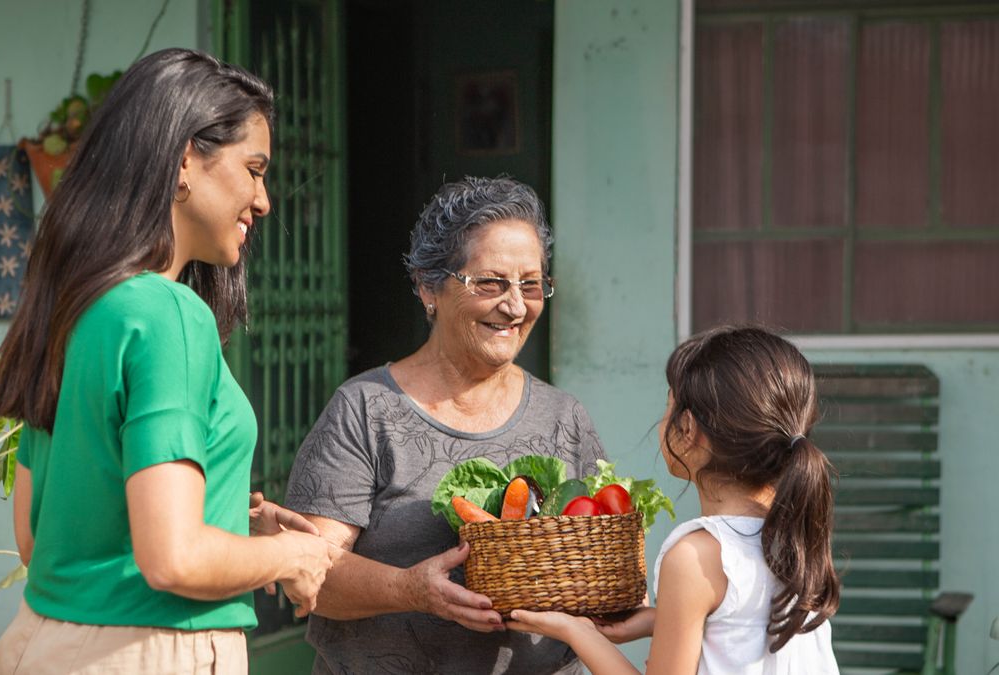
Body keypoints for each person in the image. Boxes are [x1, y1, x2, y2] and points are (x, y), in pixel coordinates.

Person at [0, 48, 334, 674]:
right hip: (150, 652)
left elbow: (40, 540)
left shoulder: (77, 307)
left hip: (39, 644)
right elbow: (173, 558)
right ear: (183, 161)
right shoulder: (170, 314)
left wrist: (233, 521)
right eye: (253, 170)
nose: (263, 200)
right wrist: (294, 558)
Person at [285, 176, 608, 674]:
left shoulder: (565, 419)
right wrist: (409, 589)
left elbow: (603, 566)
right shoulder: (366, 410)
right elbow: (307, 575)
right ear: (428, 286)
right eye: (490, 283)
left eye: (530, 284)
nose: (515, 306)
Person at [507, 326, 841, 674]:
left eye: (668, 407)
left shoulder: (695, 557)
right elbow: (748, 625)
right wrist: (661, 619)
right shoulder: (795, 534)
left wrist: (576, 631)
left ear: (688, 428)